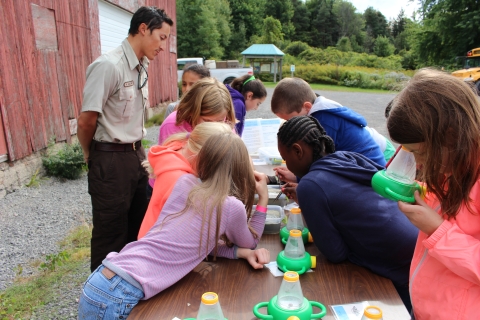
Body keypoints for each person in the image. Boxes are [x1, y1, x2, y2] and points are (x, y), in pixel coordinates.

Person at [78, 132, 270, 319]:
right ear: (241, 169)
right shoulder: (230, 207)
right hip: (120, 292)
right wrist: (263, 198)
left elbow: (199, 244)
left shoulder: (185, 182)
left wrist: (240, 253)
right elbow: (250, 241)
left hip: (102, 279)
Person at [276, 115, 418, 312]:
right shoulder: (348, 156)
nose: (286, 163)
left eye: (286, 157)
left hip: (399, 267)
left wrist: (310, 204)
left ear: (298, 151)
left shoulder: (309, 186)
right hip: (417, 241)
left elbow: (335, 253)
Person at [77, 6, 173, 272]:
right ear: (143, 29)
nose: (164, 46)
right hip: (109, 157)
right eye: (162, 38)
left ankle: (129, 295)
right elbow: (86, 121)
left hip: (135, 155)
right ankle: (99, 302)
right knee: (111, 234)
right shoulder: (108, 65)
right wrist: (91, 155)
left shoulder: (142, 65)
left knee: (138, 227)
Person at [387, 69, 480, 319]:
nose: (417, 163)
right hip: (426, 309)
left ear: (451, 136)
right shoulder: (451, 163)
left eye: (422, 153)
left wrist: (437, 230)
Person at [271, 77, 387, 176]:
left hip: (370, 175)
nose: (289, 125)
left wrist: (298, 177)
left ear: (307, 107)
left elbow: (317, 165)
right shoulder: (320, 110)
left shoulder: (323, 121)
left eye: (291, 120)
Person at [138, 122, 232, 239]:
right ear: (202, 155)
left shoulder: (180, 147)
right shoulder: (180, 181)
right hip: (158, 245)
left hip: (151, 235)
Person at [158, 77, 236, 144]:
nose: (214, 126)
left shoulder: (226, 125)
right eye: (207, 121)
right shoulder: (171, 125)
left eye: (219, 121)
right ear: (191, 111)